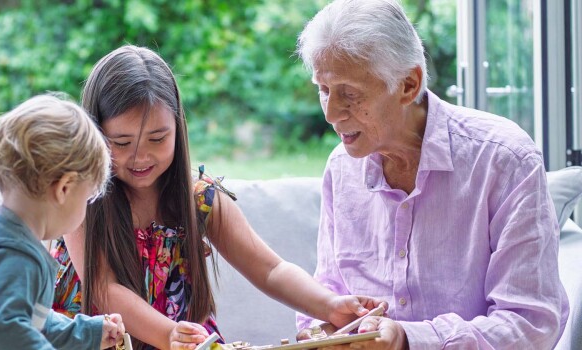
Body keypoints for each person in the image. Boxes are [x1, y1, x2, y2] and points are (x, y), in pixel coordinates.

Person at [51, 45, 387, 350]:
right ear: (95, 133)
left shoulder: (200, 199)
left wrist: (330, 305)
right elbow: (104, 289)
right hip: (99, 341)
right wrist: (168, 335)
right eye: (121, 143)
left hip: (183, 343)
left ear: (177, 128)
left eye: (157, 138)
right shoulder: (81, 197)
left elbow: (270, 269)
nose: (141, 157)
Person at [293, 0, 569, 349]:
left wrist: (408, 340)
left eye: (349, 94)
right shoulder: (341, 168)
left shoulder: (504, 159)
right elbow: (327, 293)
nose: (331, 114)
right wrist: (323, 332)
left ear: (408, 84)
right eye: (323, 90)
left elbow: (530, 324)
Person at [0, 94, 126, 349]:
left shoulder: (8, 242)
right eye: (87, 198)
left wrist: (88, 332)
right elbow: (7, 330)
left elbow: (34, 324)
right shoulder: (15, 255)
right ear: (64, 188)